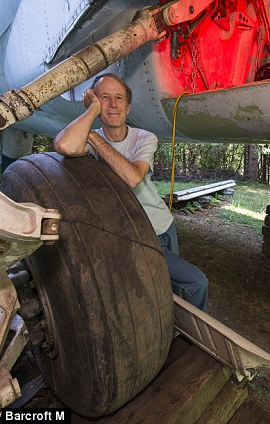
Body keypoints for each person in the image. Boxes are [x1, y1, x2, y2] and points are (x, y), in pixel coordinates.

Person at [53, 73, 209, 311]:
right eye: (104, 98)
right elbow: (64, 145)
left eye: (119, 98)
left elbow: (134, 177)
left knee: (178, 288)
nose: (113, 104)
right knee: (192, 282)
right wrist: (92, 114)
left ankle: (186, 334)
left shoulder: (144, 138)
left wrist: (94, 136)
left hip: (163, 225)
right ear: (94, 103)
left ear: (127, 108)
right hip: (135, 232)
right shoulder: (90, 141)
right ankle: (172, 329)